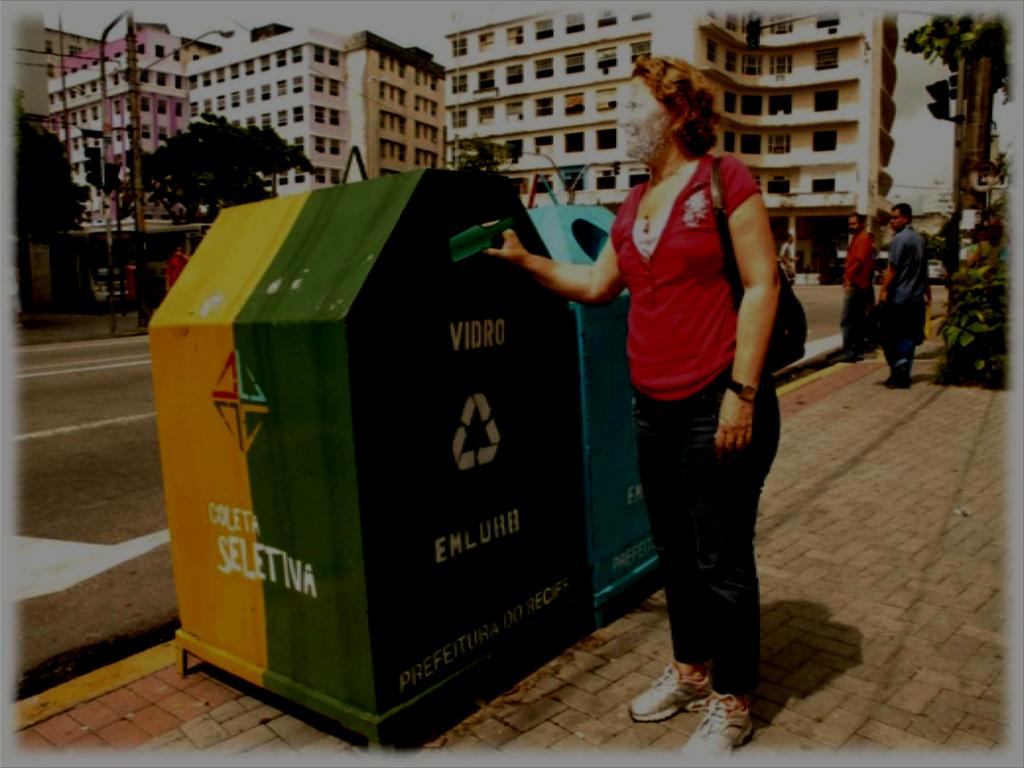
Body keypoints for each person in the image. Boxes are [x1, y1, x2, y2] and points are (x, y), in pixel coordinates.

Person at [484, 56, 780, 757]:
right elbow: (594, 284)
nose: (621, 123)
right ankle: (689, 669)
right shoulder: (632, 204)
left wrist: (741, 394)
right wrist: (526, 261)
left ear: (678, 113)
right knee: (674, 553)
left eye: (632, 108)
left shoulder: (723, 179)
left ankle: (733, 700)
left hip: (717, 398)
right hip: (654, 406)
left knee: (720, 558)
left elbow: (762, 284)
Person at [879, 203, 930, 388]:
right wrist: (927, 291)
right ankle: (903, 376)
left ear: (906, 218)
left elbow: (892, 268)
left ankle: (898, 367)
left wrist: (883, 290)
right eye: (891, 218)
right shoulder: (920, 239)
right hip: (916, 298)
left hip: (899, 297)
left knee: (888, 336)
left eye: (895, 218)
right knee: (909, 337)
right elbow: (923, 269)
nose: (892, 221)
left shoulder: (899, 239)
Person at [839, 214, 875, 362]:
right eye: (850, 224)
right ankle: (857, 351)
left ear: (861, 224)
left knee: (847, 319)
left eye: (854, 224)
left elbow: (859, 262)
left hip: (857, 284)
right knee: (858, 319)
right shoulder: (857, 239)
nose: (851, 226)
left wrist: (848, 279)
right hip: (860, 283)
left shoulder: (863, 239)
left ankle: (850, 352)